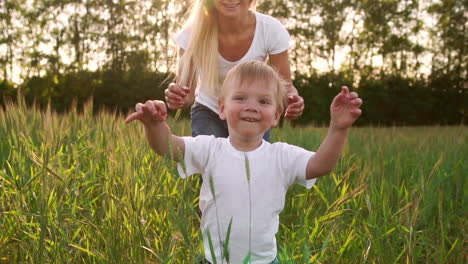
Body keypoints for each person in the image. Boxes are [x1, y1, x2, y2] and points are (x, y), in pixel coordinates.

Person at [126, 61, 362, 264]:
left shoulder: (281, 156)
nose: (251, 106)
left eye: (264, 101)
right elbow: (169, 147)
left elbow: (321, 165)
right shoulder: (210, 148)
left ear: (277, 116)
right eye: (240, 98)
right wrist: (154, 125)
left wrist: (338, 129)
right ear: (222, 108)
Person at [165, 0, 304, 140]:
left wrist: (293, 99)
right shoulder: (191, 33)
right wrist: (177, 97)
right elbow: (187, 94)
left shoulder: (270, 29)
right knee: (212, 160)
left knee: (251, 162)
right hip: (210, 111)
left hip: (252, 112)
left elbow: (286, 86)